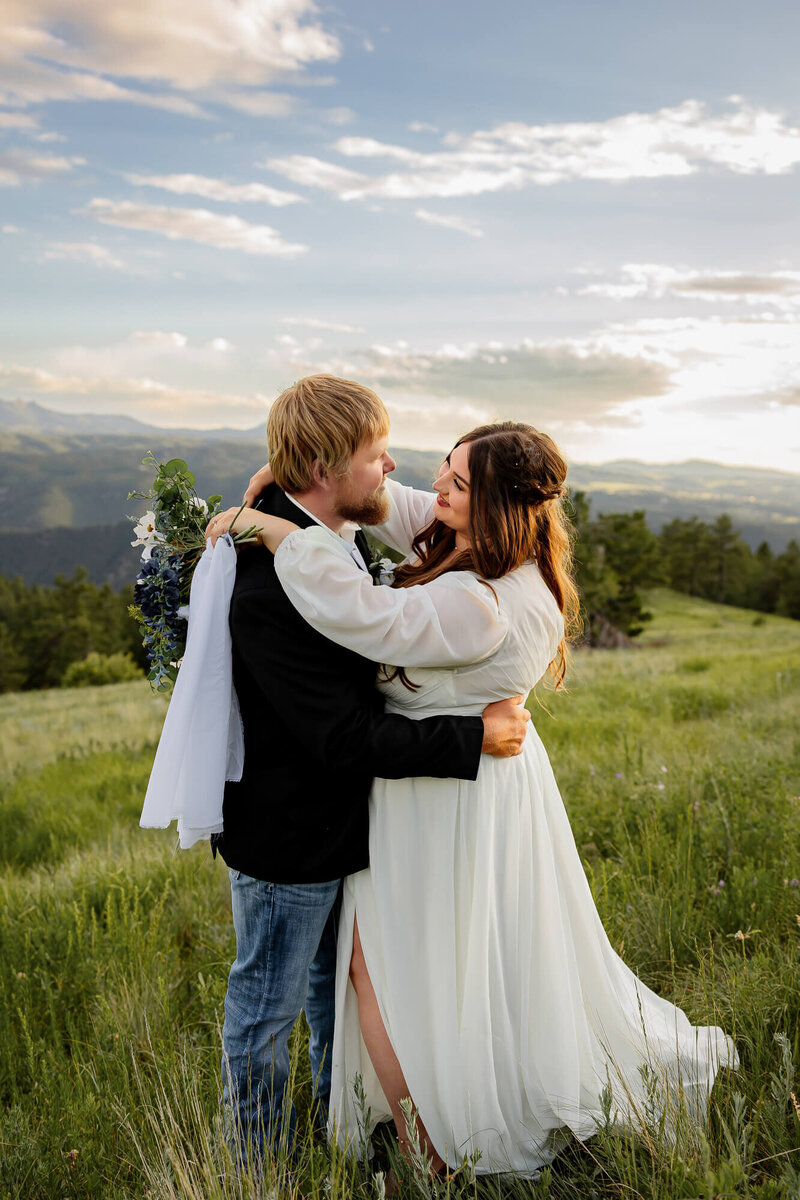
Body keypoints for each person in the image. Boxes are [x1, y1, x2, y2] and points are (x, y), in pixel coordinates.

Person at [210, 416, 738, 1177]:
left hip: (443, 800)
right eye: (446, 471)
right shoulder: (500, 547)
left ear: (492, 503)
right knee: (453, 959)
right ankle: (434, 1114)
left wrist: (266, 527)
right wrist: (302, 477)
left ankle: (432, 1148)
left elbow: (365, 617)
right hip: (470, 790)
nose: (436, 488)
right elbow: (391, 503)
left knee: (381, 963)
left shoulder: (482, 604)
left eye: (456, 482)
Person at [211, 375, 532, 1164]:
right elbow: (344, 737)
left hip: (346, 830)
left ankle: (340, 1136)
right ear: (324, 465)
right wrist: (471, 737)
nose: (394, 468)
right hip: (288, 836)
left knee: (335, 1003)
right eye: (375, 454)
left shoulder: (334, 528)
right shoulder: (268, 588)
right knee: (265, 1008)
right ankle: (255, 1167)